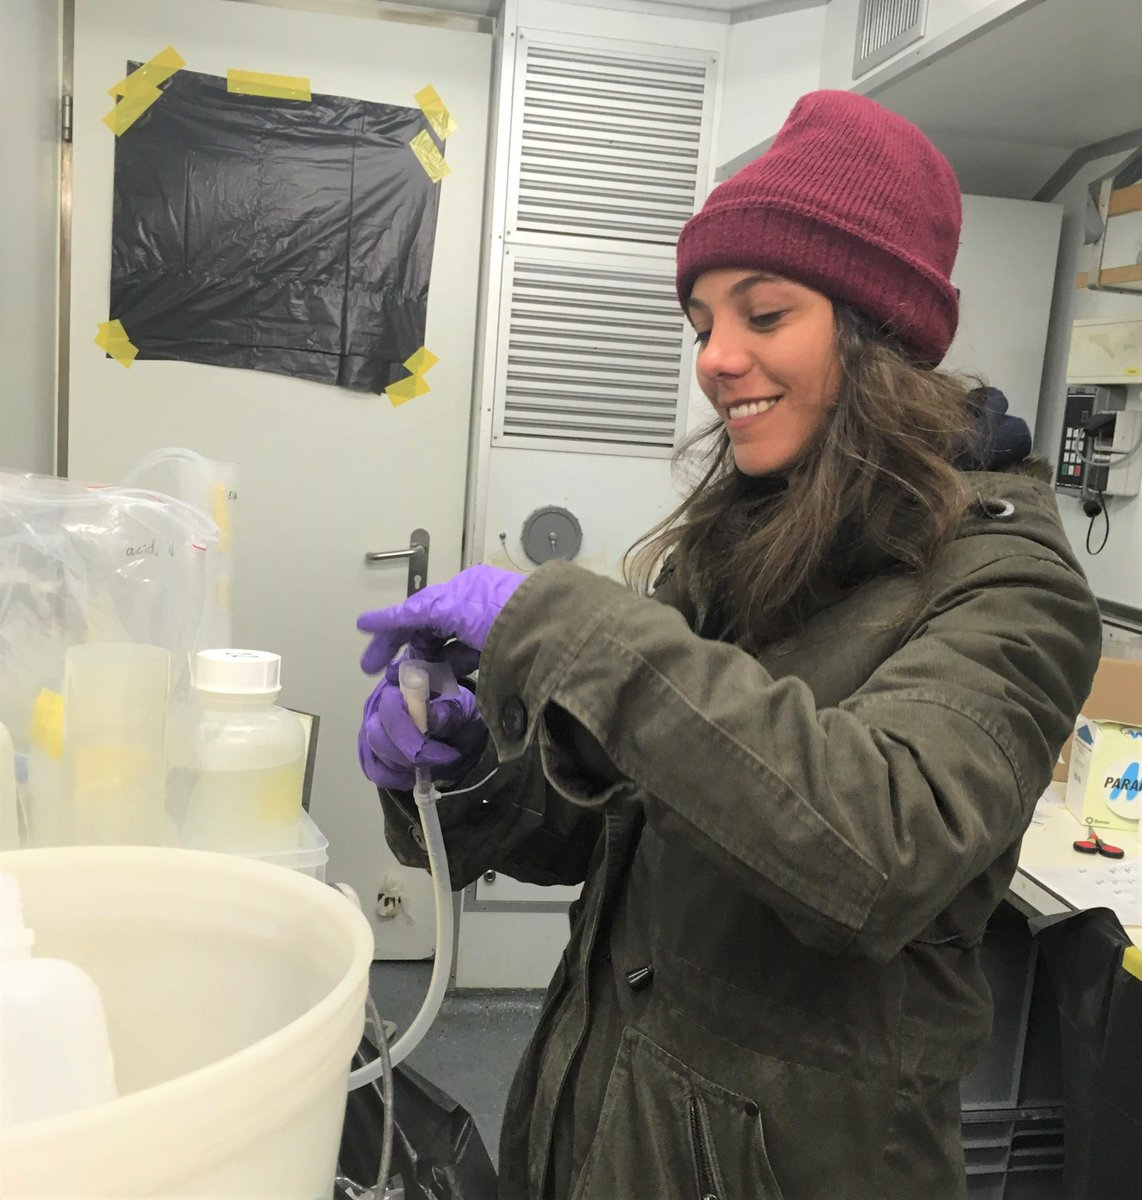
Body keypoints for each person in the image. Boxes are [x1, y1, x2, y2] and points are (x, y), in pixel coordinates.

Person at [355, 90, 1102, 1199]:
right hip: (607, 1128)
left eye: (762, 313)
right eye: (703, 322)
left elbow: (873, 851)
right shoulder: (735, 551)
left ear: (876, 332)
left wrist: (563, 622)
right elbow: (619, 833)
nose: (714, 357)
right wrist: (469, 773)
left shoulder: (1006, 586)